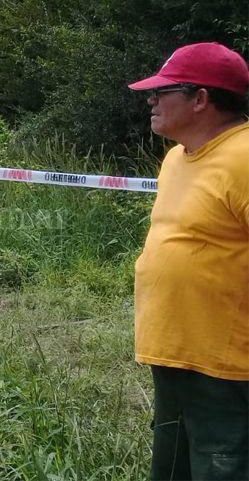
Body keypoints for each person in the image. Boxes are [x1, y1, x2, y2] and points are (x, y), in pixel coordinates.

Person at [129, 41, 249, 480]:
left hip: (228, 366)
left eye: (162, 91)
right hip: (176, 352)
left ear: (201, 98)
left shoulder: (244, 158)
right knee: (173, 466)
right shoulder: (176, 158)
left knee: (224, 464)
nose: (151, 100)